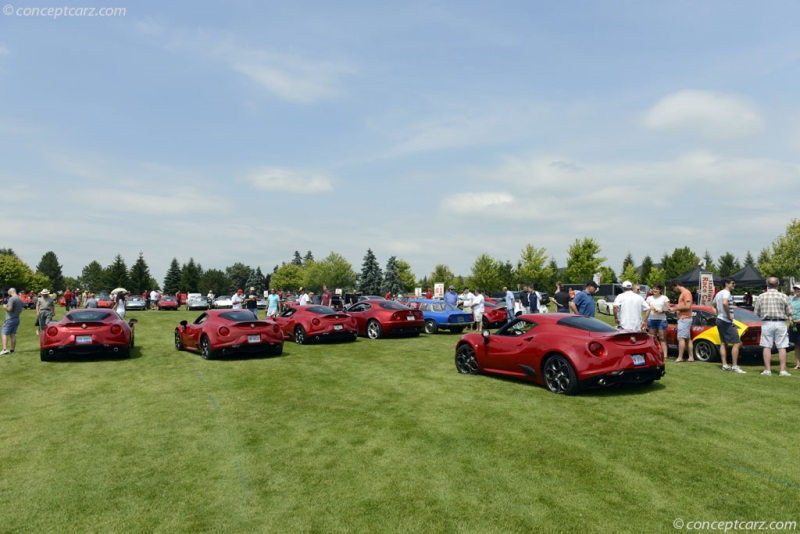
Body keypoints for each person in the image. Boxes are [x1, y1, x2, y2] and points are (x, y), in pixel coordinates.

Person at [754, 276, 793, 376]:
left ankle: (767, 370)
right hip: (780, 322)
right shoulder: (784, 296)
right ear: (777, 284)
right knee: (782, 346)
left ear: (767, 284)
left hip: (767, 322)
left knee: (767, 346)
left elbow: (756, 312)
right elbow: (790, 311)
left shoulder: (761, 296)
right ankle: (783, 370)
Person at [712, 277, 745, 373]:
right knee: (736, 342)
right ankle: (734, 366)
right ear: (727, 283)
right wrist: (728, 315)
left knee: (723, 342)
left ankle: (725, 365)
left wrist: (717, 314)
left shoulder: (718, 293)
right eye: (733, 283)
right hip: (726, 321)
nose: (734, 285)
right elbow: (725, 303)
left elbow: (713, 306)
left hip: (720, 319)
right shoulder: (726, 293)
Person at [669, 279, 694, 363]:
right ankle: (691, 357)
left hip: (684, 318)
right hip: (685, 318)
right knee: (687, 338)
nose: (674, 290)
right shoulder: (683, 293)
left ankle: (680, 357)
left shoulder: (686, 293)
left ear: (676, 285)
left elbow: (688, 306)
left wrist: (675, 309)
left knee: (680, 338)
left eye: (673, 288)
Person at [644, 284, 670, 356]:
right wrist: (649, 307)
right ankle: (655, 353)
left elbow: (669, 310)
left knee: (662, 338)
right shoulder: (649, 298)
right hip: (651, 319)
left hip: (661, 320)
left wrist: (662, 311)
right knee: (653, 338)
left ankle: (665, 355)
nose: (655, 290)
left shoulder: (664, 298)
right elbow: (645, 308)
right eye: (654, 288)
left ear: (660, 290)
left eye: (657, 289)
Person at [1, 288, 23, 354]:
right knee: (12, 334)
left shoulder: (12, 299)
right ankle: (12, 350)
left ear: (10, 292)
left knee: (4, 333)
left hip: (10, 318)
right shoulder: (20, 299)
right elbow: (21, 310)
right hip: (17, 318)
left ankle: (4, 349)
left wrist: (5, 306)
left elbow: (9, 309)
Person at [790, 283, 800, 370]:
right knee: (796, 344)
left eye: (798, 289)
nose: (797, 290)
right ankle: (798, 364)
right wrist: (790, 318)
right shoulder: (792, 299)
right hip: (794, 324)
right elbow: (789, 310)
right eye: (796, 289)